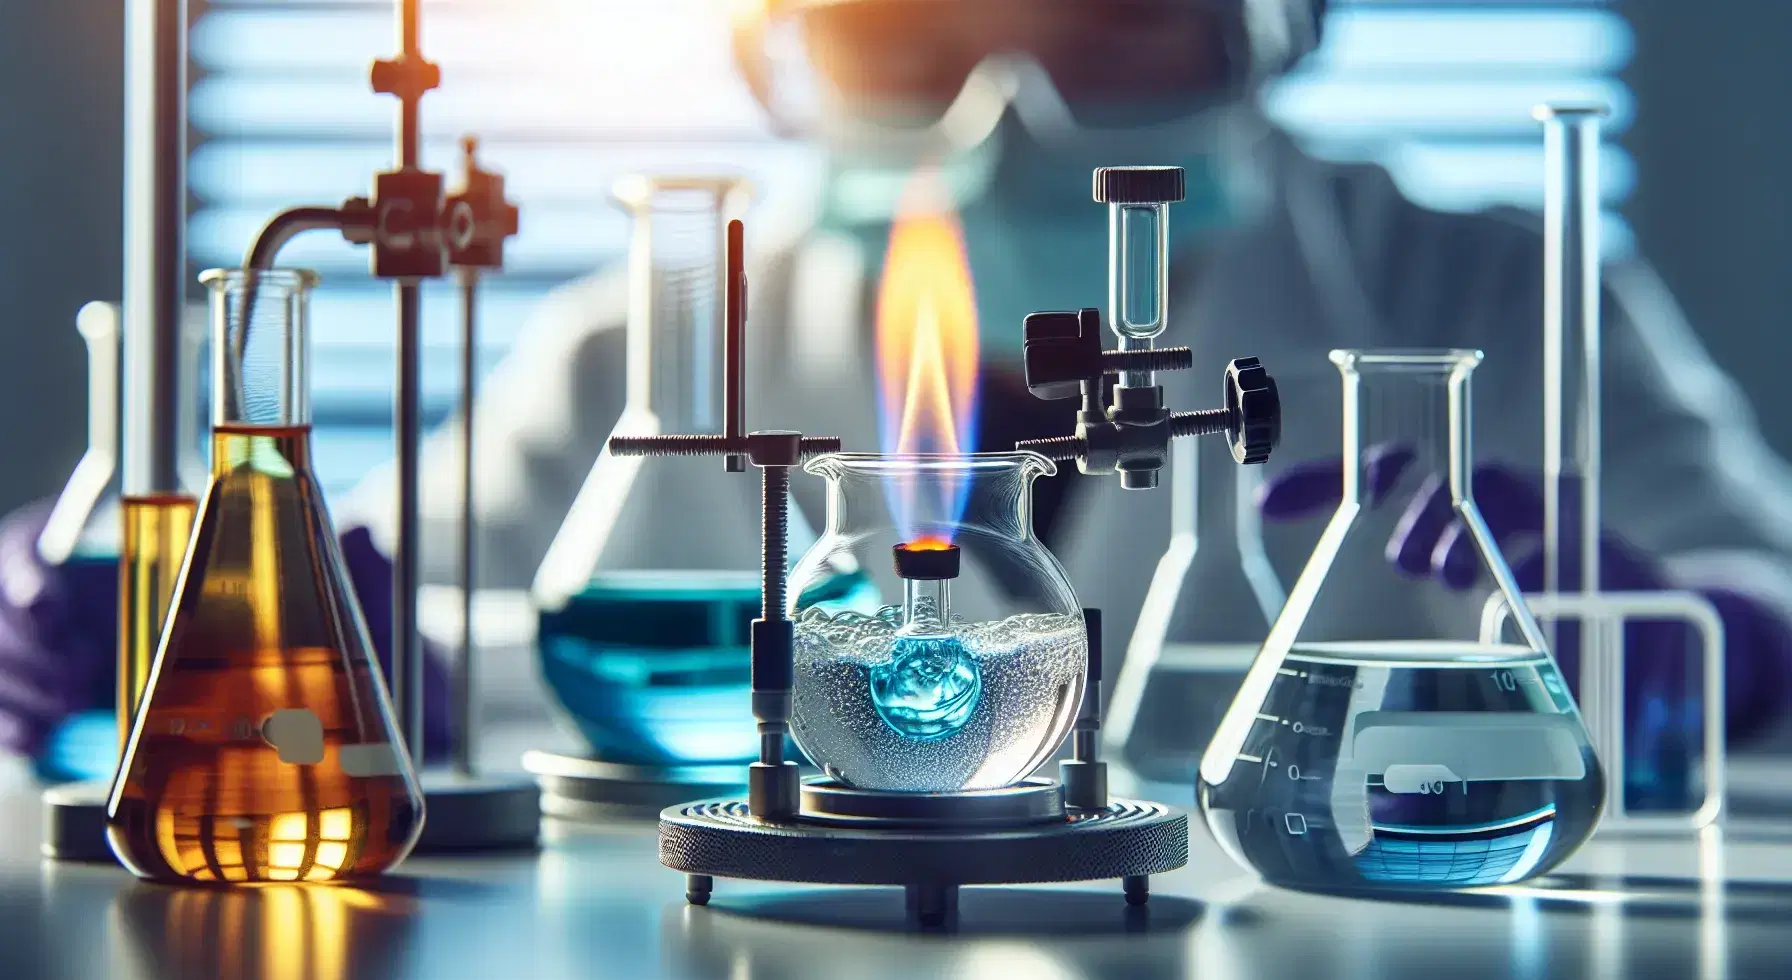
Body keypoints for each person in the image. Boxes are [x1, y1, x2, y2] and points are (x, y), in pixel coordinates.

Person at [345, 0, 1792, 794]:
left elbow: (1752, 570)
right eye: (908, 30)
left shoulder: (1483, 293)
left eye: (1109, 21)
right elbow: (371, 607)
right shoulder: (643, 347)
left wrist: (1706, 636)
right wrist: (283, 642)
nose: (1007, 97)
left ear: (1268, 23)